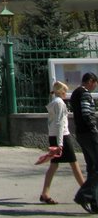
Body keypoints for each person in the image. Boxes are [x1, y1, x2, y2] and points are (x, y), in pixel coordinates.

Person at [39, 80, 85, 205]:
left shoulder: (53, 102)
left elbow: (52, 123)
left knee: (54, 165)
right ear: (61, 92)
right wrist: (60, 144)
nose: (67, 93)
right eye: (65, 91)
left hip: (54, 136)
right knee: (74, 163)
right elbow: (60, 123)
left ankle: (45, 193)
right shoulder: (59, 103)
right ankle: (86, 191)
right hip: (62, 137)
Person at [71, 71, 98, 213]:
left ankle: (94, 202)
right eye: (95, 84)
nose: (95, 87)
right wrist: (94, 129)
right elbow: (87, 114)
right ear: (90, 81)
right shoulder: (85, 93)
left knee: (92, 167)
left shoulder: (75, 93)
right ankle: (84, 194)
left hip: (81, 133)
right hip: (89, 134)